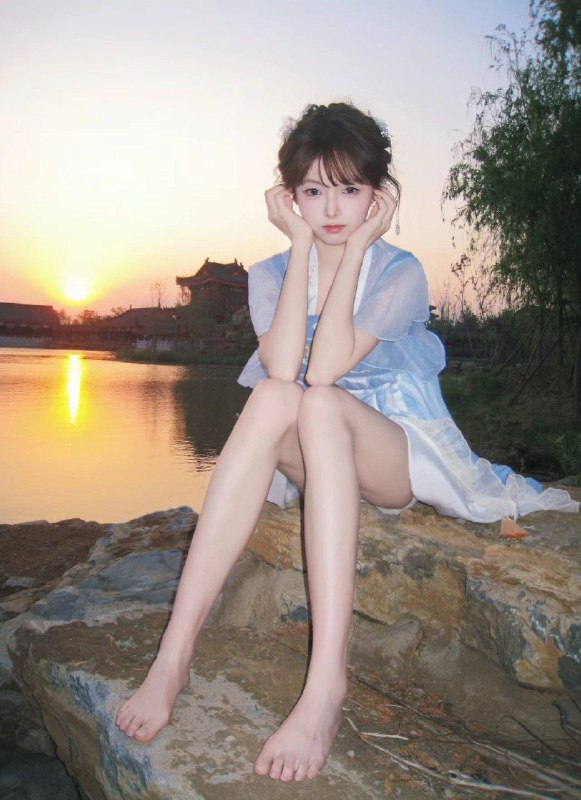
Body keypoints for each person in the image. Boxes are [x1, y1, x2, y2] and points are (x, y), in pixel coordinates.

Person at [115, 102, 579, 783]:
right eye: (312, 191)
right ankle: (173, 655)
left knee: (322, 400)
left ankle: (325, 683)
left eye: (349, 189)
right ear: (287, 197)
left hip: (393, 457)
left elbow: (326, 369)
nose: (331, 210)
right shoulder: (272, 273)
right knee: (274, 396)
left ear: (378, 195)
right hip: (313, 447)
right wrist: (303, 251)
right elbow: (282, 370)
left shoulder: (398, 271)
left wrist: (355, 250)